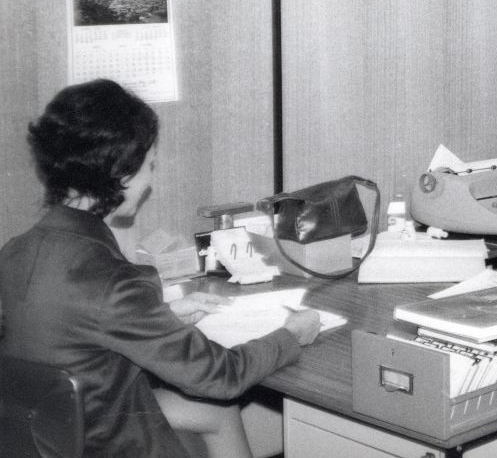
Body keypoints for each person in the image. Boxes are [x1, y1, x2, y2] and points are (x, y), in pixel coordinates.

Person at [0, 78, 321, 458]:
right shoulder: (108, 281)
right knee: (220, 398)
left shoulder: (15, 252)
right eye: (149, 167)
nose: (149, 181)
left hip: (52, 432)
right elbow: (221, 376)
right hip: (107, 441)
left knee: (219, 413)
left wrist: (160, 316)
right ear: (122, 175)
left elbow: (69, 329)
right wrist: (291, 336)